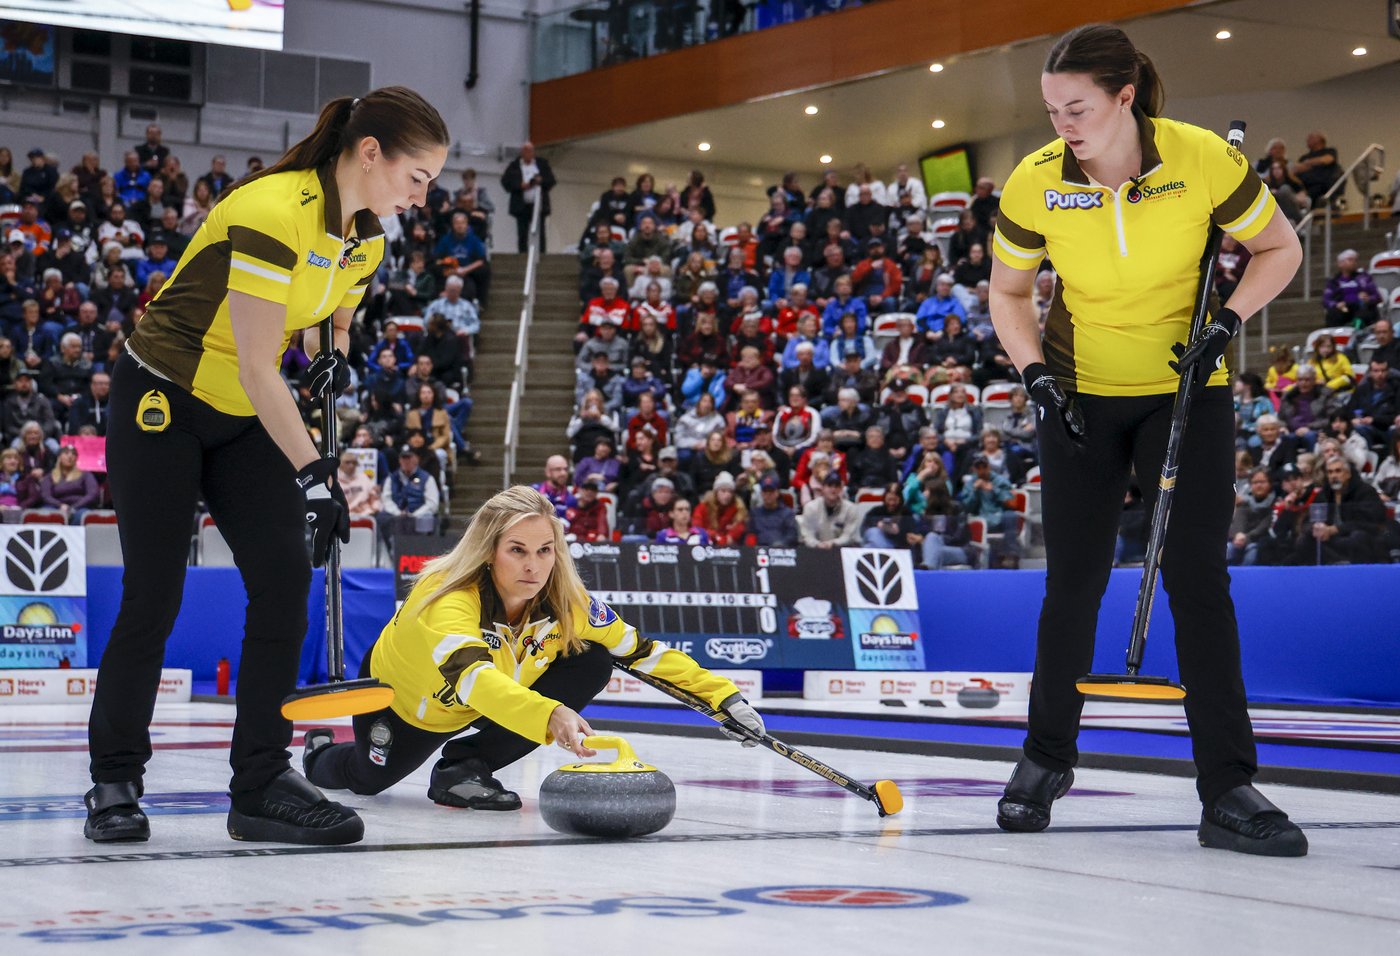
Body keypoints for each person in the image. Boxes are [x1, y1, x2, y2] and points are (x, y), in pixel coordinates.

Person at [84, 87, 451, 848]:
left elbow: (330, 325)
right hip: (165, 396)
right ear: (371, 152)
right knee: (155, 591)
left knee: (284, 579)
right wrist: (316, 474)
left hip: (242, 413)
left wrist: (332, 361)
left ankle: (258, 783)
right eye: (418, 177)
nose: (424, 196)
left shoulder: (367, 238)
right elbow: (257, 365)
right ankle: (114, 779)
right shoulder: (272, 210)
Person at [988, 25, 1306, 854]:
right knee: (1074, 583)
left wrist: (1229, 321)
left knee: (1197, 578)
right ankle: (1045, 757)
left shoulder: (1201, 160)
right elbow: (1009, 293)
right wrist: (1033, 376)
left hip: (1185, 388)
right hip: (1080, 396)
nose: (1062, 122)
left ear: (1125, 97)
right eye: (1052, 108)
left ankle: (1228, 786)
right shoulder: (1035, 182)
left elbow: (1280, 246)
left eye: (1078, 107)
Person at [304, 486, 763, 802]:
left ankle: (464, 769)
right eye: (517, 550)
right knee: (366, 780)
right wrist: (549, 713)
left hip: (495, 693)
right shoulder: (444, 597)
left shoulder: (567, 601)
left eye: (545, 550)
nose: (534, 566)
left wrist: (724, 699)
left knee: (593, 660)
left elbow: (642, 651)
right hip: (407, 703)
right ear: (489, 550)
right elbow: (472, 680)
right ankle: (320, 751)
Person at [500, 142, 555, 253]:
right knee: (522, 232)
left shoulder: (542, 164)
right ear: (522, 152)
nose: (528, 153)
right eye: (525, 151)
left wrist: (540, 181)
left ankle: (542, 253)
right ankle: (523, 254)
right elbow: (505, 182)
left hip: (538, 205)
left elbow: (551, 181)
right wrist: (520, 185)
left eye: (530, 151)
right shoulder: (514, 166)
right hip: (522, 205)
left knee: (540, 231)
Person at [1322, 250, 1381, 329]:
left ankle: (1356, 327)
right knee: (1333, 313)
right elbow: (1326, 300)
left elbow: (1377, 297)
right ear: (1340, 263)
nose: (1354, 262)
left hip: (1360, 307)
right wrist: (1336, 304)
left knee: (1367, 309)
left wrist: (1368, 298)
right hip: (1343, 309)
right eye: (1350, 260)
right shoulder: (1333, 281)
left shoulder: (1364, 278)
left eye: (1355, 260)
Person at [748, 473, 798, 546]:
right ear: (761, 493)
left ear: (777, 493)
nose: (768, 495)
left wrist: (781, 544)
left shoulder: (787, 513)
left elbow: (792, 535)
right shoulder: (755, 513)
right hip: (759, 551)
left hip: (780, 551)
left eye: (771, 491)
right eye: (765, 492)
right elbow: (750, 533)